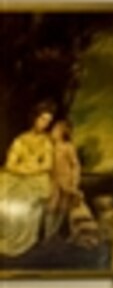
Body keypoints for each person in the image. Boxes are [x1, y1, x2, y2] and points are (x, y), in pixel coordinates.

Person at [0, 102, 58, 257]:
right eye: (42, 119)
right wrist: (22, 170)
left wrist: (30, 171)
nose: (44, 124)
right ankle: (5, 234)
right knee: (3, 192)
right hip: (17, 175)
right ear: (34, 118)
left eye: (48, 121)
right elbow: (10, 163)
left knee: (25, 199)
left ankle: (21, 240)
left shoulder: (47, 142)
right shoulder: (20, 140)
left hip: (37, 179)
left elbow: (47, 164)